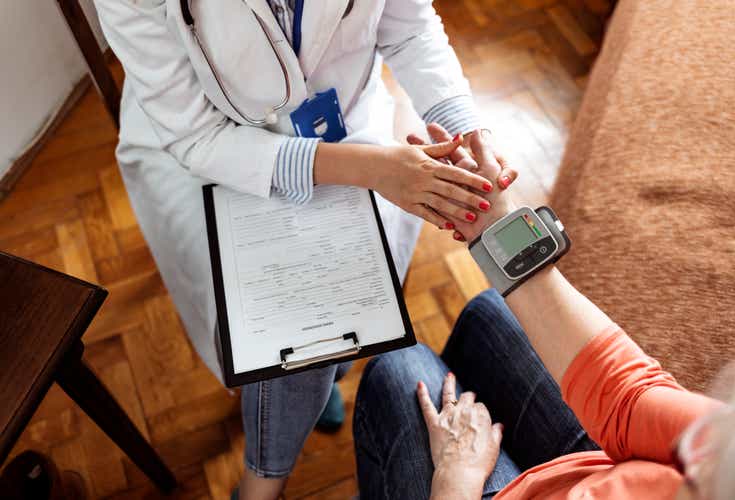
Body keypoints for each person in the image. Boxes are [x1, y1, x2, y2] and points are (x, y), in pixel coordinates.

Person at [92, 1, 517, 498]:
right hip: (208, 150)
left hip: (347, 117)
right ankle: (264, 477)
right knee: (283, 331)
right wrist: (372, 170)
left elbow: (408, 29)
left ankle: (316, 391)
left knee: (333, 326)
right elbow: (196, 136)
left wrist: (468, 131)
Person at [353, 139, 735, 498]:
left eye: (700, 475)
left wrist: (457, 480)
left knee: (398, 367)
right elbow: (629, 401)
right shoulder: (729, 445)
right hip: (595, 474)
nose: (697, 447)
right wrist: (495, 229)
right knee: (488, 313)